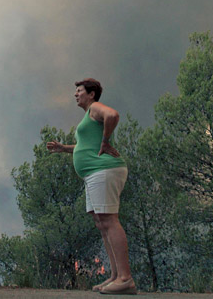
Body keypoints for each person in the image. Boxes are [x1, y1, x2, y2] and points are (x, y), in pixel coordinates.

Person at [46, 78, 136, 295]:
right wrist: (64, 148)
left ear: (91, 94)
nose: (75, 94)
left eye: (79, 91)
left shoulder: (95, 108)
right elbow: (85, 146)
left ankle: (126, 278)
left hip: (104, 170)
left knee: (109, 219)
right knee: (100, 221)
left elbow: (112, 115)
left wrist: (105, 141)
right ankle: (115, 276)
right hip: (93, 173)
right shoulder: (88, 117)